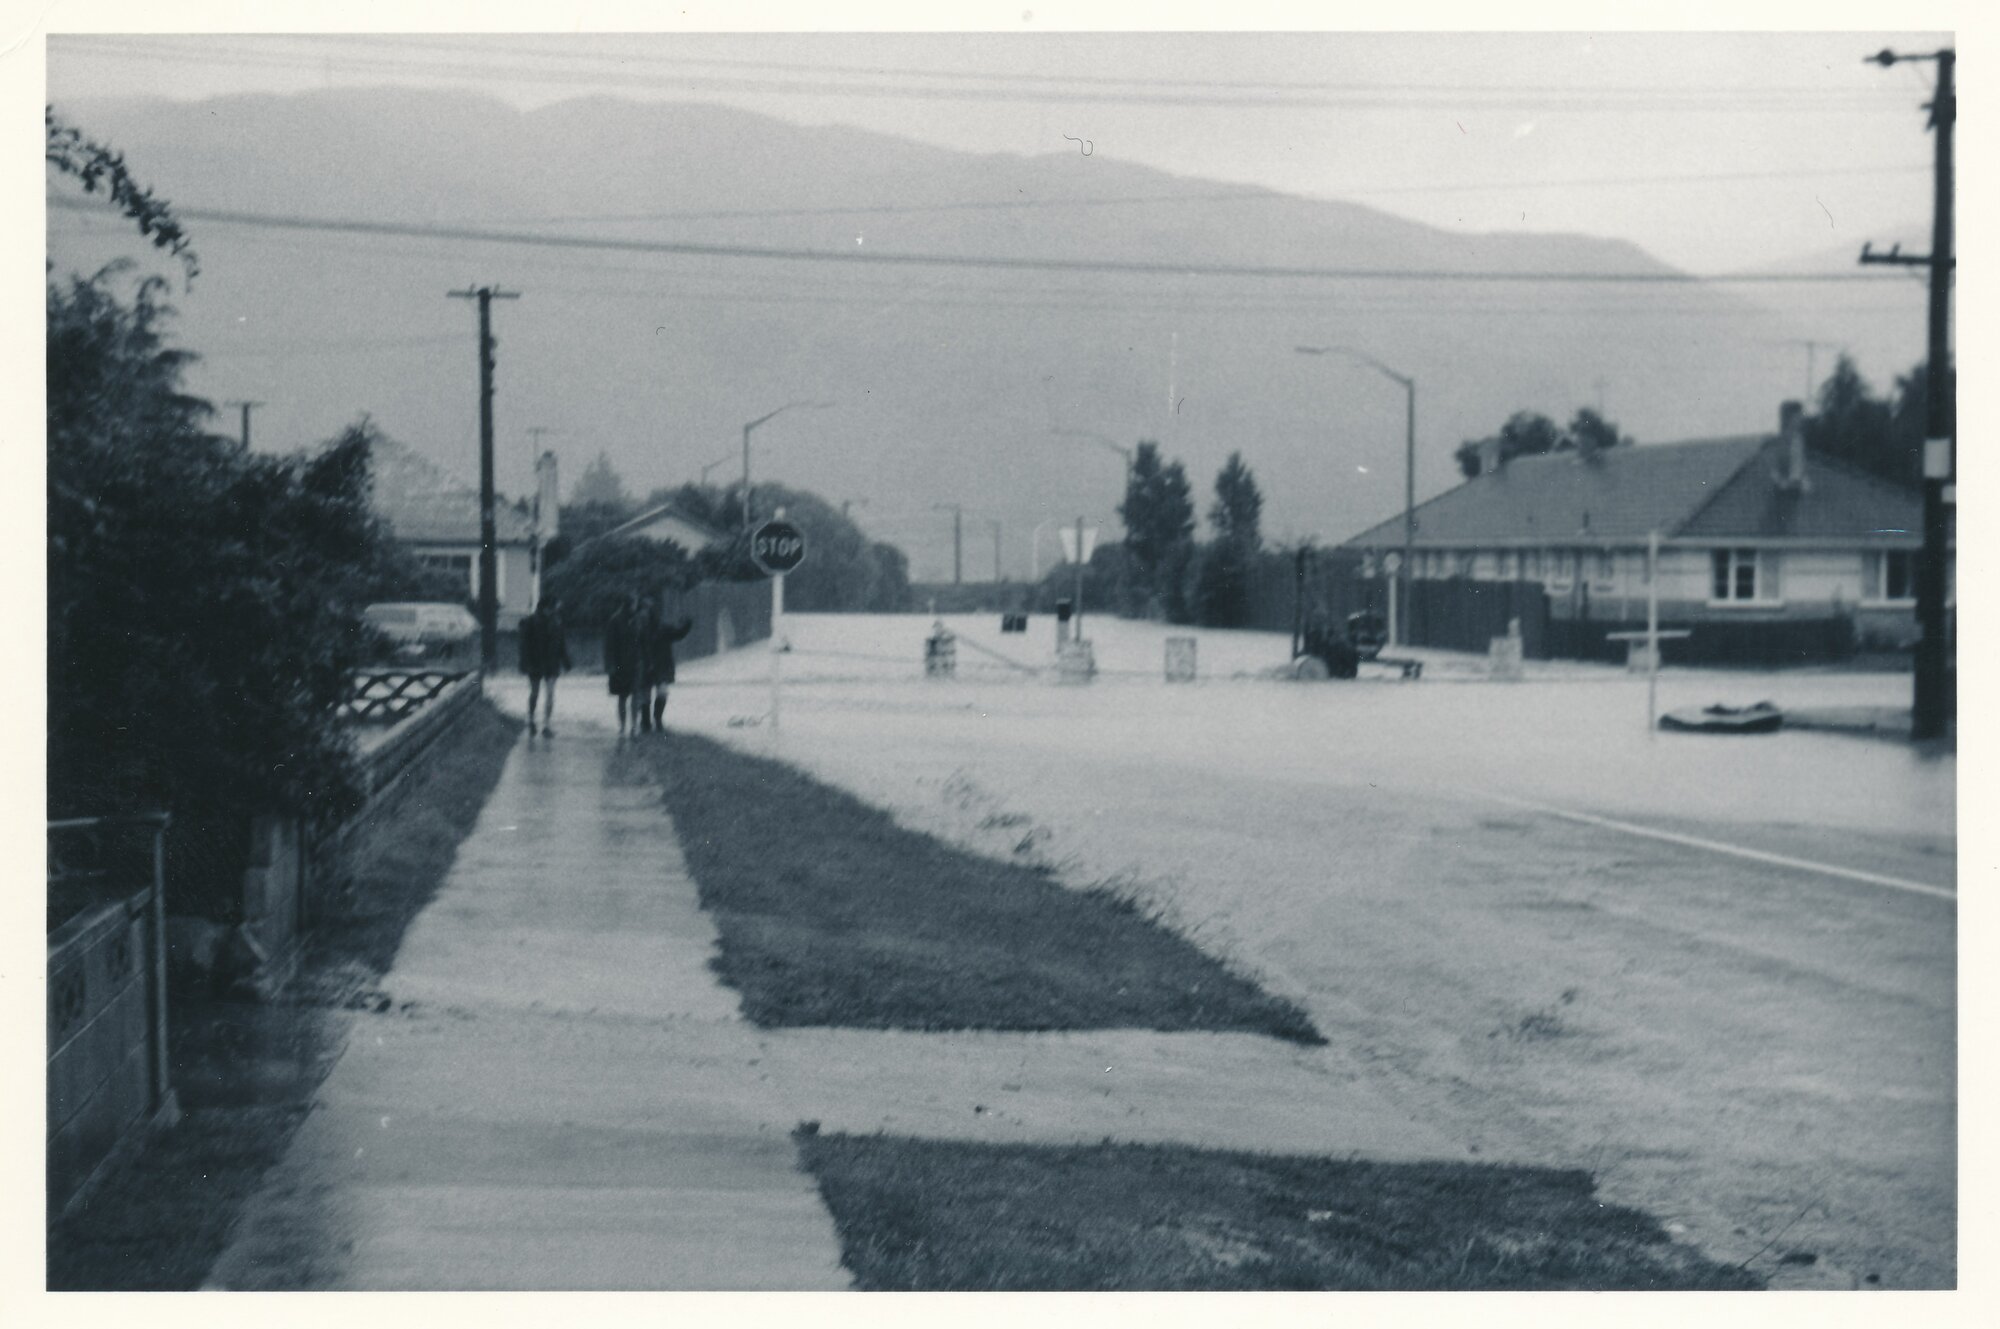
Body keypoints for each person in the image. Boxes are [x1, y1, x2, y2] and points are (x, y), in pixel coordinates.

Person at [519, 596, 572, 736]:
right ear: (546, 607)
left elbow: (561, 643)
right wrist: (524, 663)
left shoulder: (556, 622)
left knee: (549, 694)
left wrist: (566, 661)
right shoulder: (531, 622)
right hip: (535, 662)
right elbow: (524, 644)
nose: (555, 610)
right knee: (535, 693)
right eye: (553, 607)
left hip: (551, 663)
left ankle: (546, 725)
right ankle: (531, 719)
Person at [644, 595, 696, 734]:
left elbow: (678, 633)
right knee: (649, 694)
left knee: (659, 693)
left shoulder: (662, 628)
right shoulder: (644, 629)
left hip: (659, 665)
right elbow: (679, 633)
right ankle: (648, 722)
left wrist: (686, 625)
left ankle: (655, 720)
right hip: (651, 665)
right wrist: (686, 625)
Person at [603, 592, 645, 736]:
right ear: (628, 604)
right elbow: (609, 645)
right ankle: (622, 726)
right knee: (622, 696)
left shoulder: (638, 619)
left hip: (636, 663)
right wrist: (610, 665)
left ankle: (634, 725)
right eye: (634, 603)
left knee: (636, 694)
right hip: (620, 664)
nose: (636, 605)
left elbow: (642, 640)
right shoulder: (615, 620)